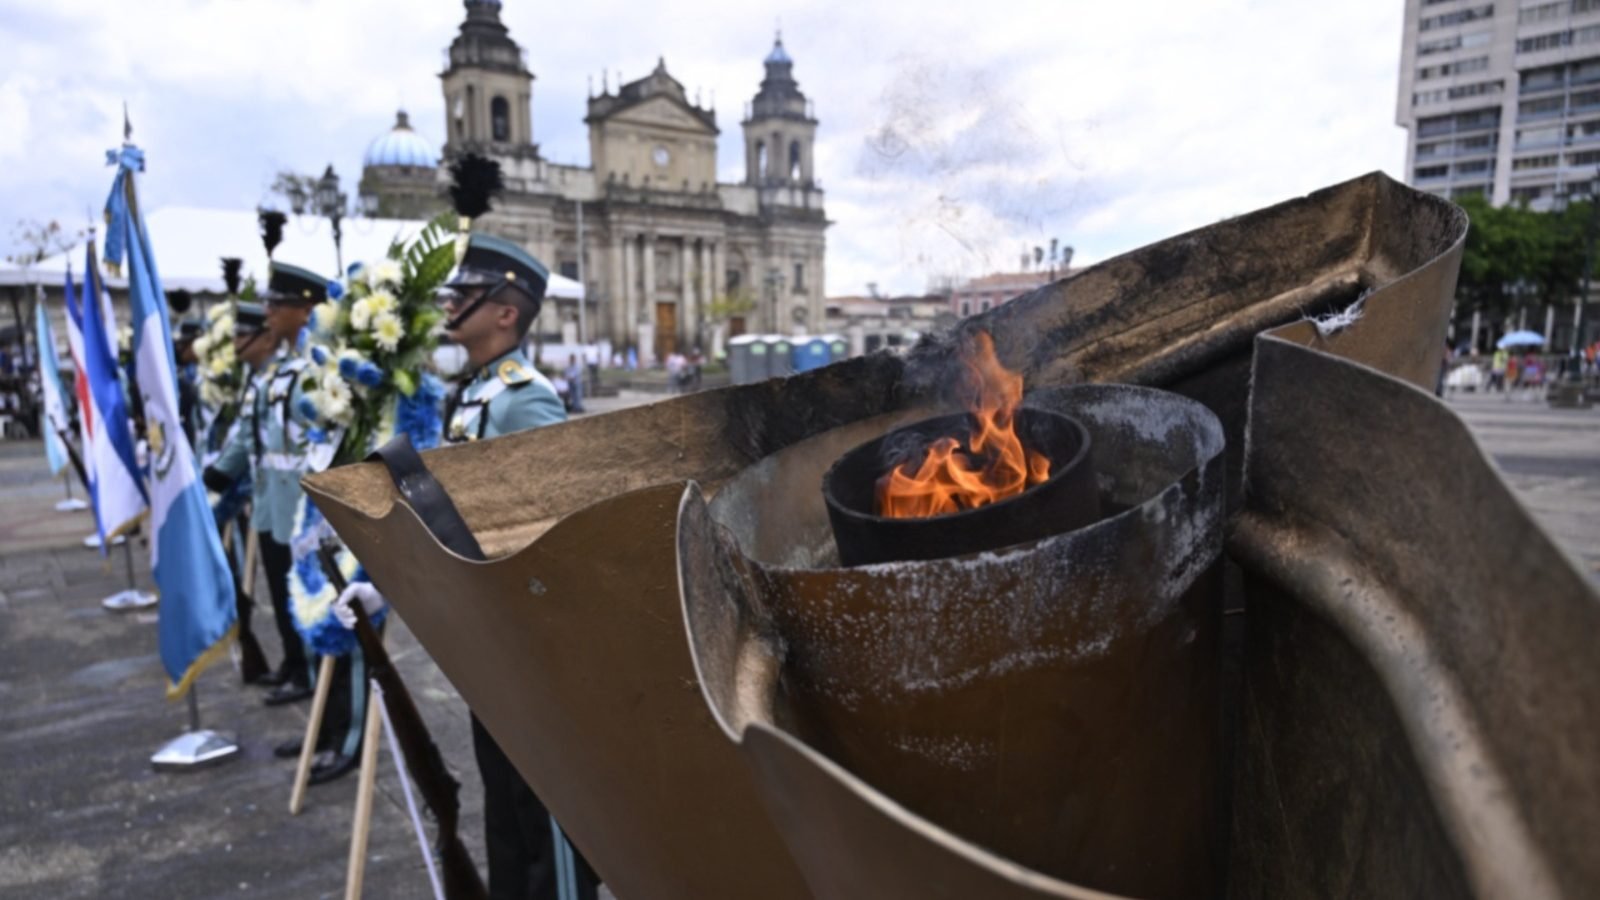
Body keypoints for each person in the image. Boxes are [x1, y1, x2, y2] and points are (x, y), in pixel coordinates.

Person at [343, 233, 599, 899]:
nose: (451, 305)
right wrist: (387, 584)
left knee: (542, 812)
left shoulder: (524, 398)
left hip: (525, 642)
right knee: (505, 806)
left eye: (466, 295)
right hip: (489, 637)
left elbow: (548, 526)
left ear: (506, 313)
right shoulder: (478, 392)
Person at [205, 264, 323, 706]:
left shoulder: (315, 368)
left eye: (278, 304)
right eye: (268, 303)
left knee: (303, 595)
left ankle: (308, 669)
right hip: (272, 502)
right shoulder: (282, 370)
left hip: (302, 505)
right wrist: (214, 479)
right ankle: (294, 662)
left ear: (306, 309)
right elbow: (249, 437)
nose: (268, 311)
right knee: (280, 589)